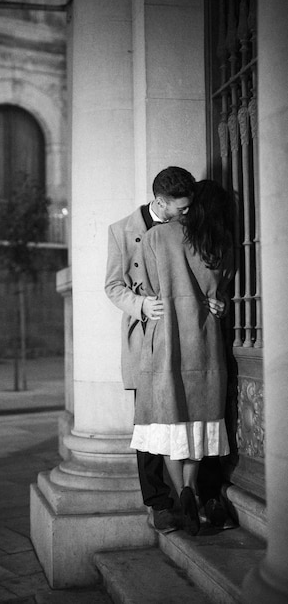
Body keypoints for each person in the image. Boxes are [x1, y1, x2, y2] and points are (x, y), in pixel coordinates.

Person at [105, 166, 226, 532]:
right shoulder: (122, 230)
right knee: (151, 422)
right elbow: (112, 286)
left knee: (183, 412)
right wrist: (143, 306)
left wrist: (215, 302)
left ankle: (196, 498)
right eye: (181, 207)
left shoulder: (186, 230)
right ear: (161, 202)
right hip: (148, 335)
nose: (188, 212)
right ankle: (159, 504)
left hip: (184, 333)